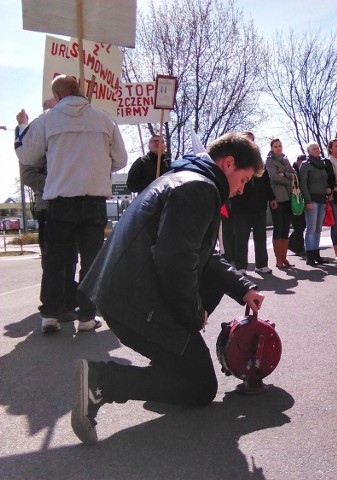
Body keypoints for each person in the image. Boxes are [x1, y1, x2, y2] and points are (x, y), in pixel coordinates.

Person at [71, 133, 265, 445]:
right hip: (134, 304)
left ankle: (167, 368)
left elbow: (201, 253)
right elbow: (175, 260)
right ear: (228, 163)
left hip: (126, 294)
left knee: (189, 367)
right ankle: (103, 381)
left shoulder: (188, 179)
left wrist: (242, 288)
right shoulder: (199, 189)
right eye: (242, 179)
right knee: (200, 386)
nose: (241, 190)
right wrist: (192, 316)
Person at [15, 75, 127, 333]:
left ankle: (51, 315)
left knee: (56, 260)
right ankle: (87, 316)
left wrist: (22, 128)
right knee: (91, 261)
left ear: (58, 95)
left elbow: (26, 154)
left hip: (60, 202)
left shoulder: (47, 119)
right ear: (81, 90)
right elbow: (120, 159)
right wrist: (97, 166)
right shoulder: (103, 119)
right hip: (94, 201)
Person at [17, 98, 78, 323]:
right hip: (49, 207)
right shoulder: (35, 137)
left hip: (73, 204)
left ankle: (70, 301)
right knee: (53, 259)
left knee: (71, 258)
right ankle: (53, 307)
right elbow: (28, 175)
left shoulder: (70, 134)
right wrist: (57, 182)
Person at [229, 168, 275, 274]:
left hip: (259, 208)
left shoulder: (261, 167)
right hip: (240, 208)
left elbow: (267, 183)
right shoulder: (238, 165)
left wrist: (272, 198)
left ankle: (262, 265)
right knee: (241, 238)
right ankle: (240, 266)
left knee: (260, 237)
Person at [299, 142, 331, 266]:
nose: (317, 150)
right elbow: (303, 183)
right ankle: (310, 255)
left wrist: (328, 188)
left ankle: (317, 254)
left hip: (322, 199)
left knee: (318, 229)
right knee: (311, 228)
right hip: (312, 200)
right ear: (309, 151)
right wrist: (308, 201)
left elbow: (325, 180)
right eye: (314, 149)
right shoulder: (305, 165)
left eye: (318, 148)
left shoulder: (322, 164)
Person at [265, 138, 295, 268]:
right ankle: (278, 259)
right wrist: (288, 180)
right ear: (272, 148)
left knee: (286, 228)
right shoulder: (270, 160)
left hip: (289, 198)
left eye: (280, 146)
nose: (278, 148)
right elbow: (274, 177)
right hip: (277, 198)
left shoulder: (285, 159)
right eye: (276, 146)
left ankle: (284, 257)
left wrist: (285, 174)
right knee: (278, 227)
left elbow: (294, 175)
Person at [289, 154, 307, 255]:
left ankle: (292, 243)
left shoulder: (301, 170)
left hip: (301, 199)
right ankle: (298, 247)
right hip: (295, 199)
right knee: (298, 225)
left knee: (302, 224)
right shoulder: (294, 171)